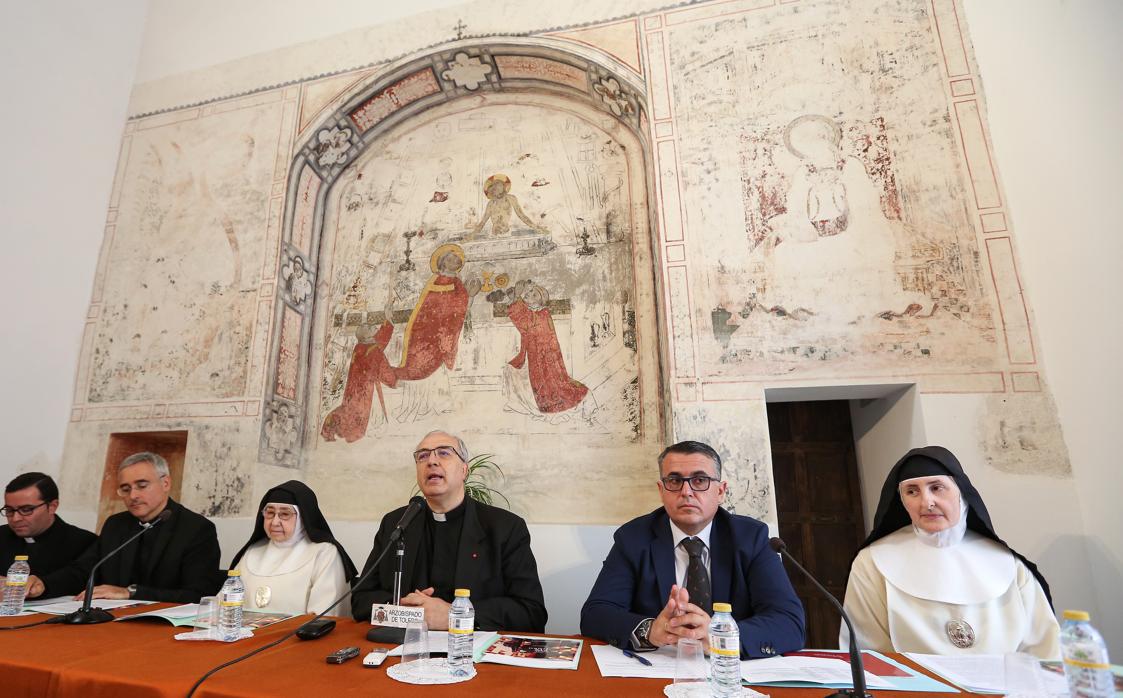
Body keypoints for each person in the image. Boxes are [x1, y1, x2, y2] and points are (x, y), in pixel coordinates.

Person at [581, 441, 805, 657]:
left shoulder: (751, 538)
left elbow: (788, 622)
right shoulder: (633, 538)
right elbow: (596, 613)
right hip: (659, 668)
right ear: (662, 490)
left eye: (699, 480)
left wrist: (721, 637)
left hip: (729, 671)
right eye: (675, 481)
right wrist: (650, 630)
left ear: (720, 491)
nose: (686, 491)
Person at [841, 446, 1060, 659]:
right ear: (902, 501)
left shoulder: (1009, 564)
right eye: (912, 491)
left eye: (936, 487)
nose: (926, 502)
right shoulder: (872, 562)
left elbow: (1045, 652)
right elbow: (867, 655)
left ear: (961, 493)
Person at [351, 430, 547, 632]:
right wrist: (404, 610)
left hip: (470, 652)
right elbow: (361, 599)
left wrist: (455, 615)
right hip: (407, 650)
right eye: (423, 456)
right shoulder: (397, 523)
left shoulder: (505, 527)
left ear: (464, 470)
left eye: (444, 453)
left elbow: (531, 612)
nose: (431, 461)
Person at [28, 452, 221, 603]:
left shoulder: (197, 529)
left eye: (142, 485)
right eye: (126, 489)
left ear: (165, 483)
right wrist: (44, 585)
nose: (133, 495)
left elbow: (199, 594)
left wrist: (130, 593)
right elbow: (84, 570)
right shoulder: (116, 525)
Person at [227, 480, 356, 615]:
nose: (275, 522)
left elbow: (322, 618)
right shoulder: (252, 551)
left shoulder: (324, 553)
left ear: (303, 517)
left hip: (296, 635)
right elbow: (223, 606)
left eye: (285, 514)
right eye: (270, 513)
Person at [0, 473, 96, 579]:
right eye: (9, 510)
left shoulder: (84, 543)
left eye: (26, 510)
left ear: (52, 507)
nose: (15, 518)